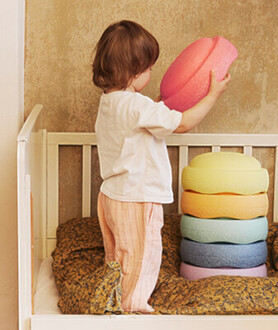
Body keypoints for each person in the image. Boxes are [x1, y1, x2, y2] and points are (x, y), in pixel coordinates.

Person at [93, 20, 231, 313]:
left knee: (118, 254)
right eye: (148, 68)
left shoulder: (110, 102)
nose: (151, 73)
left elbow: (146, 114)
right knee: (143, 255)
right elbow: (183, 124)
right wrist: (212, 95)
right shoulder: (138, 107)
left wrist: (163, 100)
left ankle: (115, 292)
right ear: (134, 71)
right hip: (137, 197)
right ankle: (132, 306)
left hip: (111, 197)